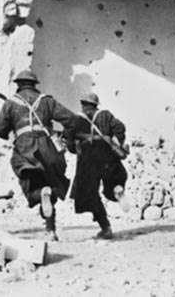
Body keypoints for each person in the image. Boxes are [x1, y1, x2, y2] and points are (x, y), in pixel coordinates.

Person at [0, 70, 78, 241]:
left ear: (18, 84)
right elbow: (72, 120)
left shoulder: (11, 103)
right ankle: (50, 231)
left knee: (30, 184)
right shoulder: (46, 101)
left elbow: (0, 130)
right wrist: (67, 140)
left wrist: (13, 127)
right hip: (49, 148)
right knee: (52, 183)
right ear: (34, 84)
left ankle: (40, 195)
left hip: (26, 149)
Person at [66, 93, 129, 240]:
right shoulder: (105, 115)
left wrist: (74, 149)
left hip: (88, 158)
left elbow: (69, 138)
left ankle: (105, 228)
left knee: (89, 193)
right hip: (107, 154)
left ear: (82, 103)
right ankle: (116, 189)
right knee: (112, 179)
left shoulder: (77, 118)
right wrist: (118, 141)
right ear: (96, 104)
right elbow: (120, 128)